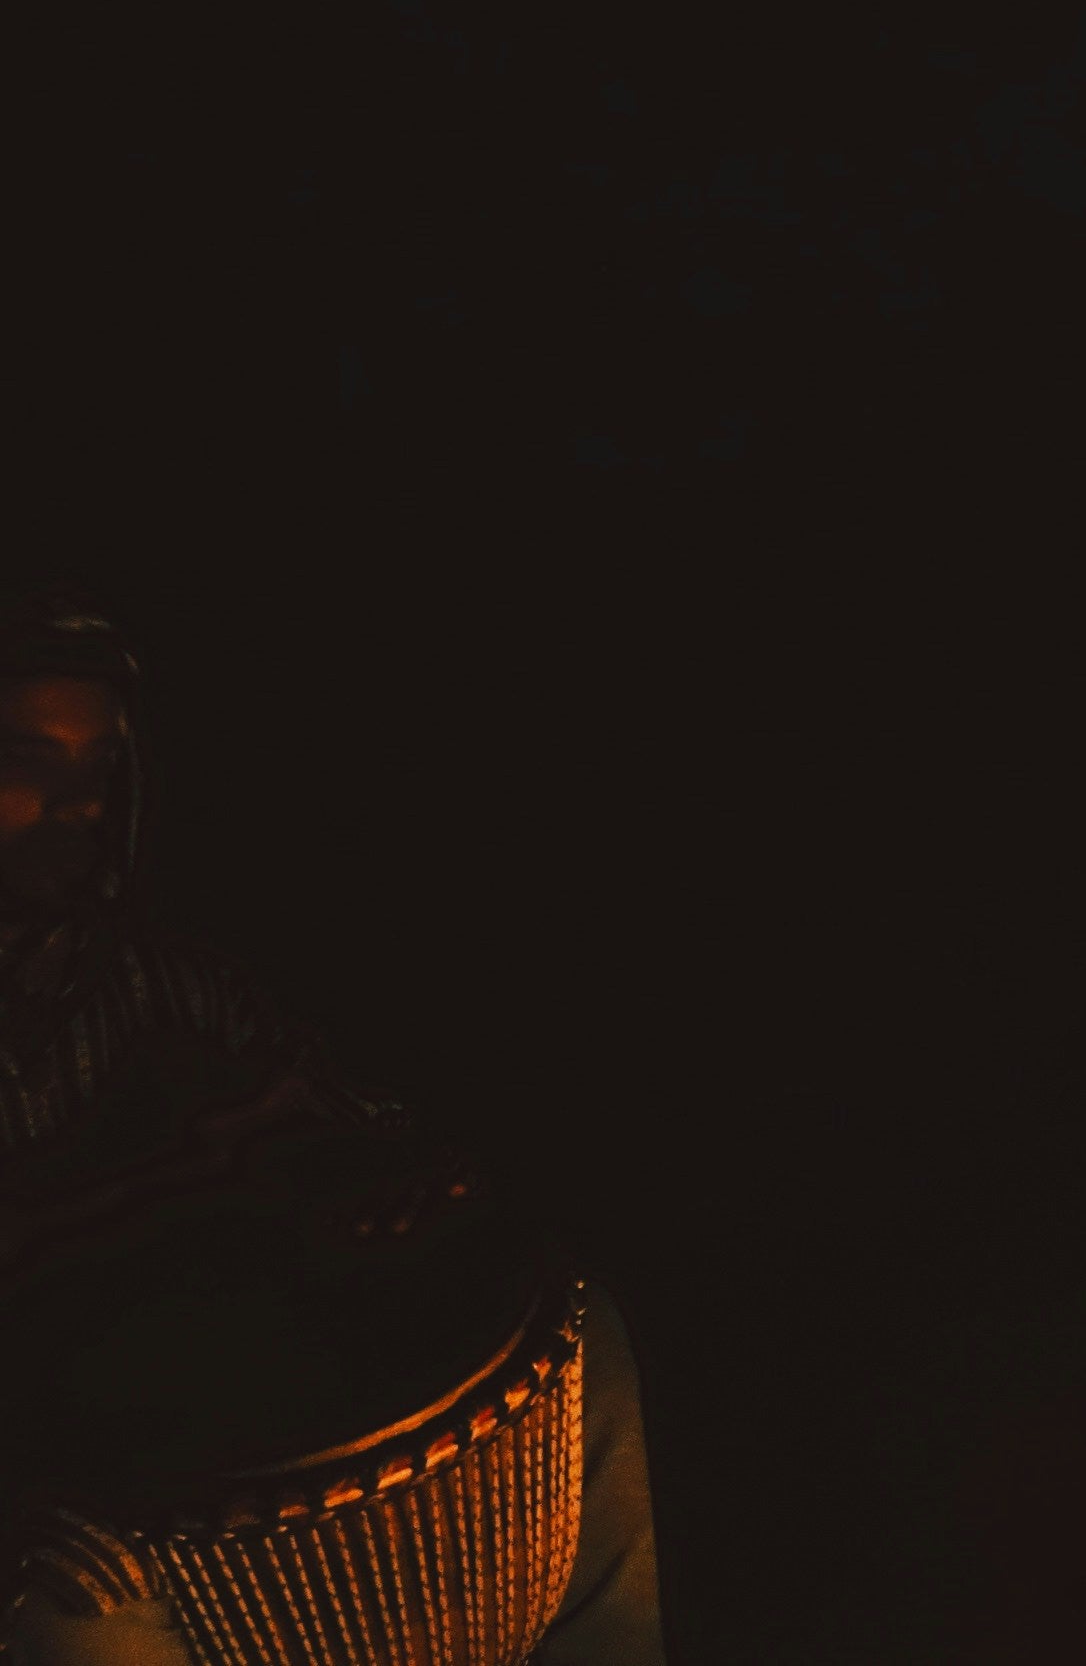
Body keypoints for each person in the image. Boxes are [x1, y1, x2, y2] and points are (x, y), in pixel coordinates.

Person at [0, 587, 664, 1664]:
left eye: (99, 766)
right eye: (30, 758)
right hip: (70, 1487)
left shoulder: (163, 987)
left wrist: (393, 1186)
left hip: (205, 1415)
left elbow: (328, 1134)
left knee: (585, 1339)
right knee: (81, 1611)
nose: (76, 801)